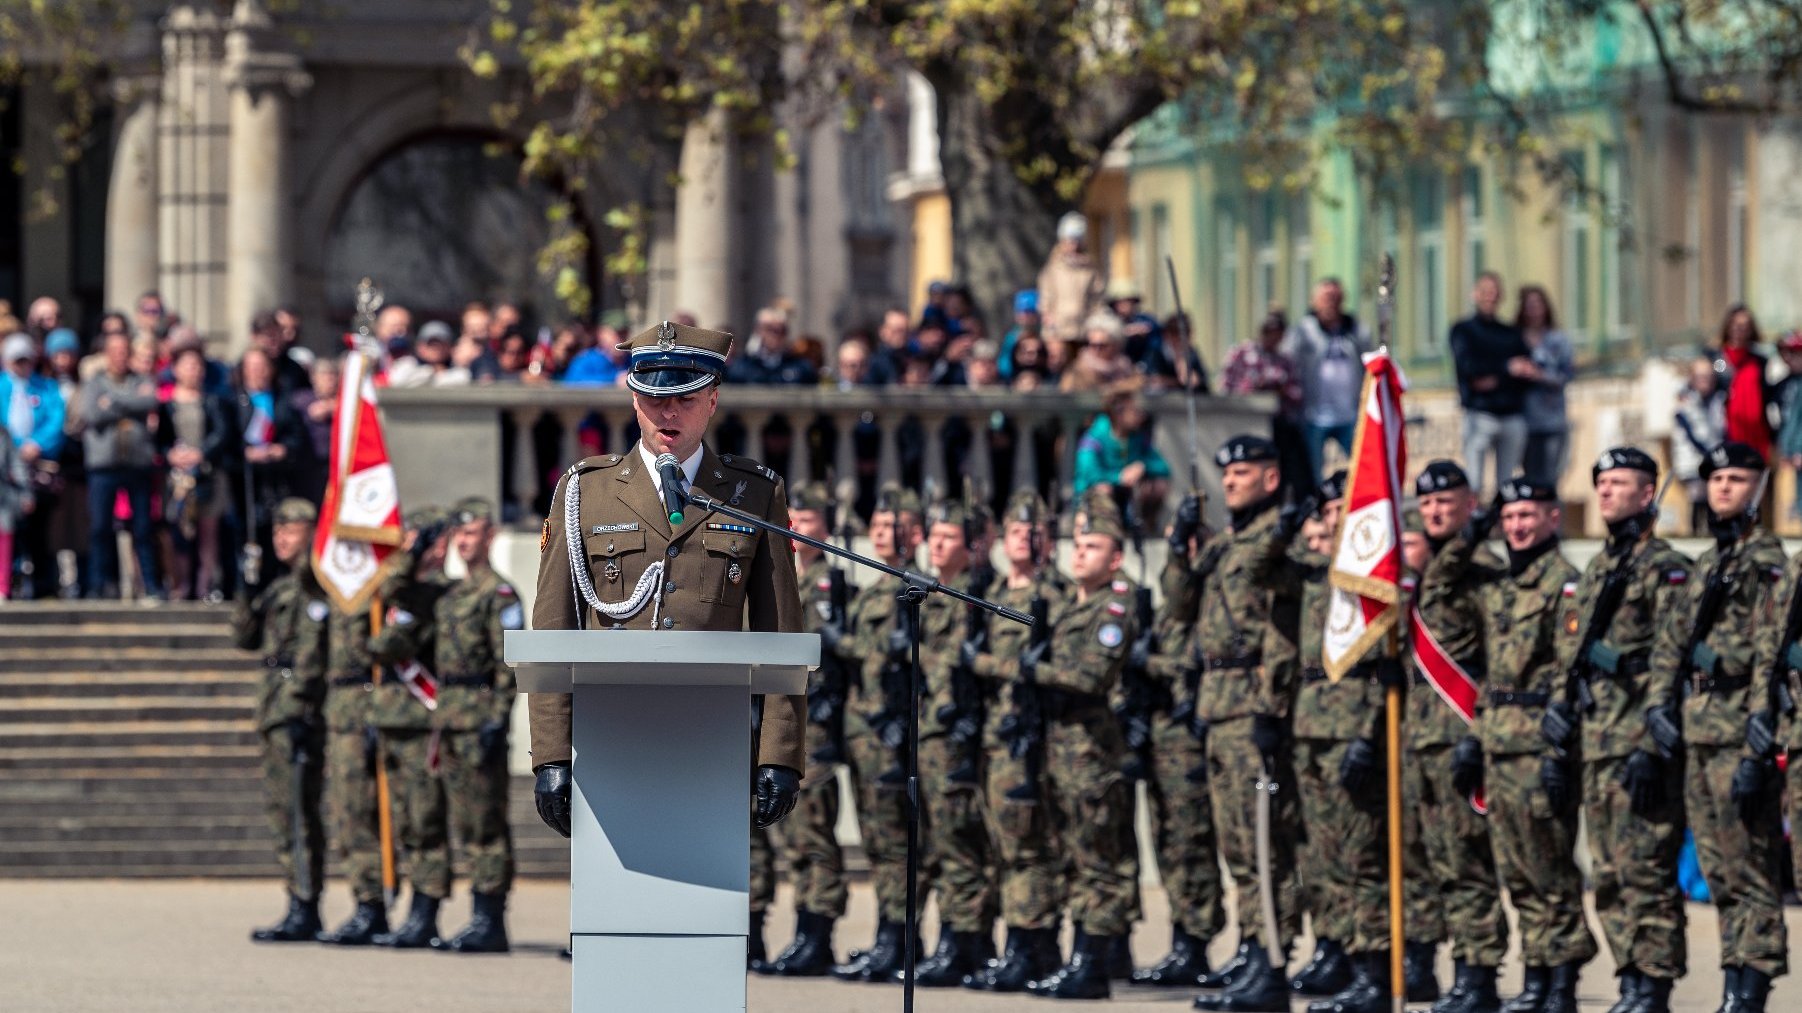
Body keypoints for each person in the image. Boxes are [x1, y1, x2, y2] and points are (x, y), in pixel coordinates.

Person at [528, 320, 807, 957]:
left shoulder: (751, 493)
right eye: (654, 398)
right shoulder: (584, 493)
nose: (668, 412)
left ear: (713, 400)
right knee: (615, 934)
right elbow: (552, 633)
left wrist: (779, 754)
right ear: (632, 400)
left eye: (684, 397)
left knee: (700, 933)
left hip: (712, 744)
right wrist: (550, 754)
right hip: (610, 742)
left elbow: (780, 633)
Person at [1647, 442, 1787, 1013]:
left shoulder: (1767, 562)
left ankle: (1752, 984)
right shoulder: (1708, 564)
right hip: (1697, 728)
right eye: (1716, 479)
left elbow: (1769, 654)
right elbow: (1671, 646)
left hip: (1736, 731)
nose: (1723, 488)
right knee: (1717, 867)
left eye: (1736, 478)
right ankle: (1733, 976)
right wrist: (1659, 705)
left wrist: (1760, 728)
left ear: (1758, 487)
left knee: (1749, 865)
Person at [1551, 448, 1690, 1013]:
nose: (1606, 493)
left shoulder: (1667, 567)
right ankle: (1629, 976)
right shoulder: (1597, 571)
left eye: (1620, 483)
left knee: (1646, 872)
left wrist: (1655, 745)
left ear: (1648, 492)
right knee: (1607, 873)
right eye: (1601, 483)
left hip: (1638, 740)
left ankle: (1652, 987)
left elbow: (1675, 658)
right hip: (1597, 741)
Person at [1168, 435, 1304, 1013]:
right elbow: (1179, 606)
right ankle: (1253, 949)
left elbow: (1283, 630)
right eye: (1227, 474)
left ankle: (1272, 956)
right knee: (1237, 845)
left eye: (1242, 472)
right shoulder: (1225, 544)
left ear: (1270, 479)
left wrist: (1272, 707)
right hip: (1217, 703)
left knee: (1263, 839)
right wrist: (1179, 547)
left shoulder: (1280, 539)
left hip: (1253, 699)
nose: (1229, 482)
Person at [988, 486, 1138, 1001]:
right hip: (1059, 751)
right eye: (1077, 545)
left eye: (1092, 547)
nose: (1080, 554)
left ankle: (1094, 964)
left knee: (1099, 863)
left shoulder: (1116, 606)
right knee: (1069, 859)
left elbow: (1092, 676)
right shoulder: (1070, 604)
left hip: (1091, 754)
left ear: (1116, 558)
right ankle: (1073, 958)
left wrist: (1035, 670)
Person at [1469, 476, 1596, 1013]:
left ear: (1551, 518)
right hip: (1499, 745)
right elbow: (1490, 674)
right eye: (1510, 517)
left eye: (1529, 515)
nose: (1517, 526)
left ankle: (1561, 980)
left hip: (1538, 745)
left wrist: (1557, 754)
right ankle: (1538, 975)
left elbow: (1569, 674)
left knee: (1550, 870)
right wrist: (1476, 739)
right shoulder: (1501, 584)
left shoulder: (1563, 583)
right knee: (1517, 872)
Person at [1408, 460, 1506, 1013]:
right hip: (1416, 740)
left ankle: (1477, 974)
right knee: (1421, 863)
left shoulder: (1485, 573)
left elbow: (1501, 662)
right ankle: (1420, 965)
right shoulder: (1417, 575)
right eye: (1427, 503)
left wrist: (1481, 734)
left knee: (1467, 866)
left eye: (1447, 500)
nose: (1436, 510)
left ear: (1471, 505)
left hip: (1458, 735)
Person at [963, 488, 1069, 992]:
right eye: (1016, 530)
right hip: (995, 736)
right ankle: (1023, 944)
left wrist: (984, 664)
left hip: (1036, 739)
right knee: (1004, 845)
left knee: (1031, 846)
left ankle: (1034, 944)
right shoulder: (992, 593)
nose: (1025, 538)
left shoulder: (1057, 595)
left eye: (1035, 530)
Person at [830, 483, 929, 983]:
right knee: (875, 837)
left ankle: (900, 939)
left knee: (896, 844)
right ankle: (889, 937)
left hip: (892, 733)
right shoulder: (871, 589)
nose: (884, 533)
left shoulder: (917, 590)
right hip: (861, 731)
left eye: (895, 526)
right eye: (880, 525)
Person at [755, 482, 853, 977]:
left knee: (812, 833)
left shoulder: (830, 587)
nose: (797, 529)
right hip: (768, 717)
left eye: (809, 521)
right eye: (792, 520)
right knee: (780, 835)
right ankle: (787, 932)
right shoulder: (772, 575)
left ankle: (817, 933)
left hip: (811, 724)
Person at [1129, 490, 1225, 989]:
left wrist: (1151, 663)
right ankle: (1181, 938)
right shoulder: (1166, 613)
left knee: (1191, 845)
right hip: (1162, 741)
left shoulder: (1208, 605)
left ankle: (1197, 941)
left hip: (1189, 741)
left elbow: (1194, 663)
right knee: (1168, 842)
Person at [906, 493, 1000, 987]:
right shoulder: (940, 594)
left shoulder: (978, 594)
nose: (936, 545)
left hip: (964, 738)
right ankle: (959, 939)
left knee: (963, 845)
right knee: (939, 844)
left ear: (973, 546)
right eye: (934, 537)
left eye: (948, 538)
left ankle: (966, 942)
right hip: (935, 734)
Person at [231, 497, 329, 943]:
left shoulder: (317, 588)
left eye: (290, 530)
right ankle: (296, 898)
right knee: (281, 808)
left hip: (294, 707)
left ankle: (305, 903)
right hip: (273, 703)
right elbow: (245, 638)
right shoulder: (280, 587)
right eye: (278, 531)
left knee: (296, 811)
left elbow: (310, 656)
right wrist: (247, 588)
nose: (281, 538)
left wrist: (297, 704)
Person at [426, 498, 521, 952]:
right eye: (459, 535)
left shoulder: (498, 595)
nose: (465, 542)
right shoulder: (451, 593)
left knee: (485, 824)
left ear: (491, 537)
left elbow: (508, 666)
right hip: (450, 721)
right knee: (462, 821)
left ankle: (490, 919)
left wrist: (497, 720)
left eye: (474, 534)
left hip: (479, 717)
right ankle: (477, 916)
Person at [365, 506, 456, 948]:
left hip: (421, 721)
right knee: (405, 821)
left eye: (417, 541)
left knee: (425, 822)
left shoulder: (438, 593)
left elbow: (386, 645)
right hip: (394, 719)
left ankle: (426, 909)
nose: (407, 551)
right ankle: (414, 909)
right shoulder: (405, 593)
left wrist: (407, 565)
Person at [81, 328, 163, 599]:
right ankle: (99, 585)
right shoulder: (94, 383)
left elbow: (149, 401)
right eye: (114, 352)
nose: (119, 357)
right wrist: (131, 405)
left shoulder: (141, 379)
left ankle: (151, 585)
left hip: (137, 465)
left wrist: (113, 402)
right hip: (104, 466)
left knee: (142, 528)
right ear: (105, 354)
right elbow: (93, 413)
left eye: (124, 352)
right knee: (100, 529)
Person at [157, 345, 239, 601]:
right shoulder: (167, 405)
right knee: (179, 533)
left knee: (208, 532)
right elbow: (160, 439)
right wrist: (171, 454)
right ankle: (181, 585)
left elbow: (222, 433)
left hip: (208, 475)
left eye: (198, 366)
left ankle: (205, 586)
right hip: (179, 478)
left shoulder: (213, 401)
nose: (194, 370)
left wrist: (201, 453)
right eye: (189, 365)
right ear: (176, 369)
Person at [1282, 278, 1371, 487]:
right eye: (1326, 298)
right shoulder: (1303, 331)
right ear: (1314, 301)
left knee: (1362, 466)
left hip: (1350, 414)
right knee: (1313, 472)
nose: (1331, 303)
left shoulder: (1355, 330)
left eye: (1336, 298)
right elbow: (1286, 361)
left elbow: (1370, 361)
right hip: (1314, 414)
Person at [1449, 273, 1530, 496]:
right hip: (1480, 414)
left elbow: (1525, 370)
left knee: (1507, 484)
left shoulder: (1510, 333)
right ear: (1474, 294)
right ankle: (1472, 527)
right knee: (1474, 482)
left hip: (1511, 414)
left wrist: (1494, 375)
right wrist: (1506, 369)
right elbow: (1470, 369)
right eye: (1485, 292)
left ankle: (1504, 525)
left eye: (1494, 292)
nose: (1489, 297)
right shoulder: (1463, 330)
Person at [2, 332, 66, 596]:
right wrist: (16, 448)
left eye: (25, 360)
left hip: (39, 467)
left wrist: (36, 444)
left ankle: (41, 585)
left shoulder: (46, 388)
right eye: (16, 361)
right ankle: (10, 582)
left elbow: (55, 419)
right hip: (6, 474)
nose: (21, 366)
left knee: (39, 530)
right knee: (7, 531)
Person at [1223, 309, 1307, 499]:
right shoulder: (1241, 354)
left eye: (1277, 331)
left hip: (1278, 427)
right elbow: (1226, 388)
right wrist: (1253, 388)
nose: (1272, 336)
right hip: (1244, 424)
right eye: (1268, 330)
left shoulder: (1285, 360)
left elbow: (1297, 394)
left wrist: (1280, 390)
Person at [1073, 380, 1171, 522]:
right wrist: (1120, 477)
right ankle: (1104, 530)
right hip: (1094, 497)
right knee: (1103, 490)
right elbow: (1091, 476)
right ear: (1119, 412)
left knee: (1158, 486)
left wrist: (1142, 466)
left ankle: (1144, 529)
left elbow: (1163, 468)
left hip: (1126, 495)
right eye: (1135, 411)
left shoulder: (1137, 437)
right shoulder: (1093, 439)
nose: (1141, 416)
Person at [1513, 286, 1575, 485]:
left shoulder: (1558, 340)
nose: (1534, 310)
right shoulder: (1515, 339)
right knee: (1529, 479)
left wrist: (1539, 375)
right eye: (1529, 305)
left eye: (1538, 305)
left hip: (1552, 421)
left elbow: (1567, 375)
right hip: (1523, 421)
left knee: (1549, 480)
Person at [1674, 357, 1727, 533]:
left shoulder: (1718, 400)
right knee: (1698, 497)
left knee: (1714, 499)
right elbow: (1691, 434)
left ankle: (1712, 532)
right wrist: (1710, 453)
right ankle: (1696, 532)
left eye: (1709, 376)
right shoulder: (1685, 402)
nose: (1706, 381)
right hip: (1693, 461)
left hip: (1714, 459)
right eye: (1701, 377)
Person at [1714, 305, 1772, 462]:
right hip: (1728, 433)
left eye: (1745, 326)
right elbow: (1710, 383)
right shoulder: (1718, 358)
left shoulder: (1760, 360)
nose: (1740, 330)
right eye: (1736, 324)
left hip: (1758, 435)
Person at [1038, 213, 1105, 345]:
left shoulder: (1090, 270)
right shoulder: (1053, 269)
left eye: (1077, 241)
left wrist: (1094, 321)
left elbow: (1097, 299)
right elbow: (1045, 298)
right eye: (1070, 241)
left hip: (1083, 331)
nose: (1073, 246)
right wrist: (1048, 318)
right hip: (1057, 331)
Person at [729, 306, 819, 385]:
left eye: (782, 329)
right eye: (770, 329)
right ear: (758, 330)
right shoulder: (740, 367)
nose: (776, 334)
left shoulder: (801, 368)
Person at [387, 321, 471, 387]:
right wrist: (431, 370)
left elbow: (462, 379)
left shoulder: (459, 371)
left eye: (441, 344)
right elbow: (397, 382)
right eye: (431, 344)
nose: (436, 348)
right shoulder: (406, 364)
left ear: (450, 347)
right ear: (420, 347)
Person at [998, 289, 1042, 381]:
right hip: (1016, 381)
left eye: (1030, 313)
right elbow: (1004, 367)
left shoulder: (1043, 336)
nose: (1025, 317)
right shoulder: (1011, 337)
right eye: (1022, 313)